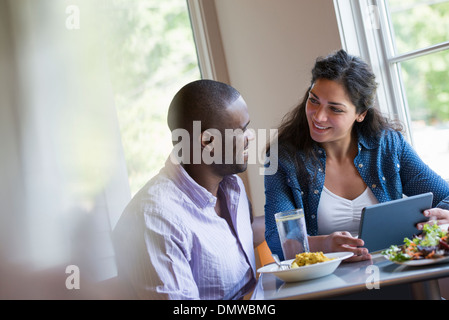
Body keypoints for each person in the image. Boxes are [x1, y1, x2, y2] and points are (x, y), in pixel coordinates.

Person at [264, 49, 449, 262]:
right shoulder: (280, 157)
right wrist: (325, 244)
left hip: (394, 271)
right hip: (326, 284)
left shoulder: (388, 146)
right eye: (314, 100)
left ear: (361, 114)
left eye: (335, 109)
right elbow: (276, 238)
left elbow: (445, 196)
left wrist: (440, 218)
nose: (318, 116)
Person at [112, 79, 261, 300]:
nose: (251, 137)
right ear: (208, 141)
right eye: (242, 130)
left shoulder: (231, 184)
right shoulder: (156, 218)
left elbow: (238, 237)